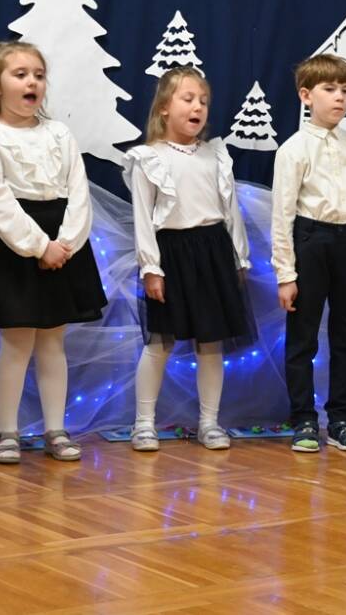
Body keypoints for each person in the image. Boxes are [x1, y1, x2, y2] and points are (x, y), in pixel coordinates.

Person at [0, 41, 107, 464]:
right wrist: (38, 246)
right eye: (20, 74)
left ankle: (56, 428)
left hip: (62, 242)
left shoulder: (59, 133)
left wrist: (65, 243)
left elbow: (78, 191)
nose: (31, 81)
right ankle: (7, 431)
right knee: (17, 342)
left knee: (53, 341)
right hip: (13, 244)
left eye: (38, 75)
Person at [122, 67, 254, 452]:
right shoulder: (148, 158)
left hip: (213, 252)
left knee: (211, 343)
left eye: (203, 101)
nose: (197, 107)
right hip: (172, 255)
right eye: (188, 98)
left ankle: (209, 423)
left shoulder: (216, 155)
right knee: (159, 344)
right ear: (164, 107)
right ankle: (143, 424)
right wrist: (151, 267)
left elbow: (230, 211)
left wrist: (239, 257)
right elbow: (143, 219)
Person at [271, 54, 346, 453]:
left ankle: (340, 419)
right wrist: (286, 274)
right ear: (306, 96)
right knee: (303, 337)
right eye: (330, 89)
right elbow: (282, 214)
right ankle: (303, 418)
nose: (339, 98)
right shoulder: (294, 149)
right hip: (310, 240)